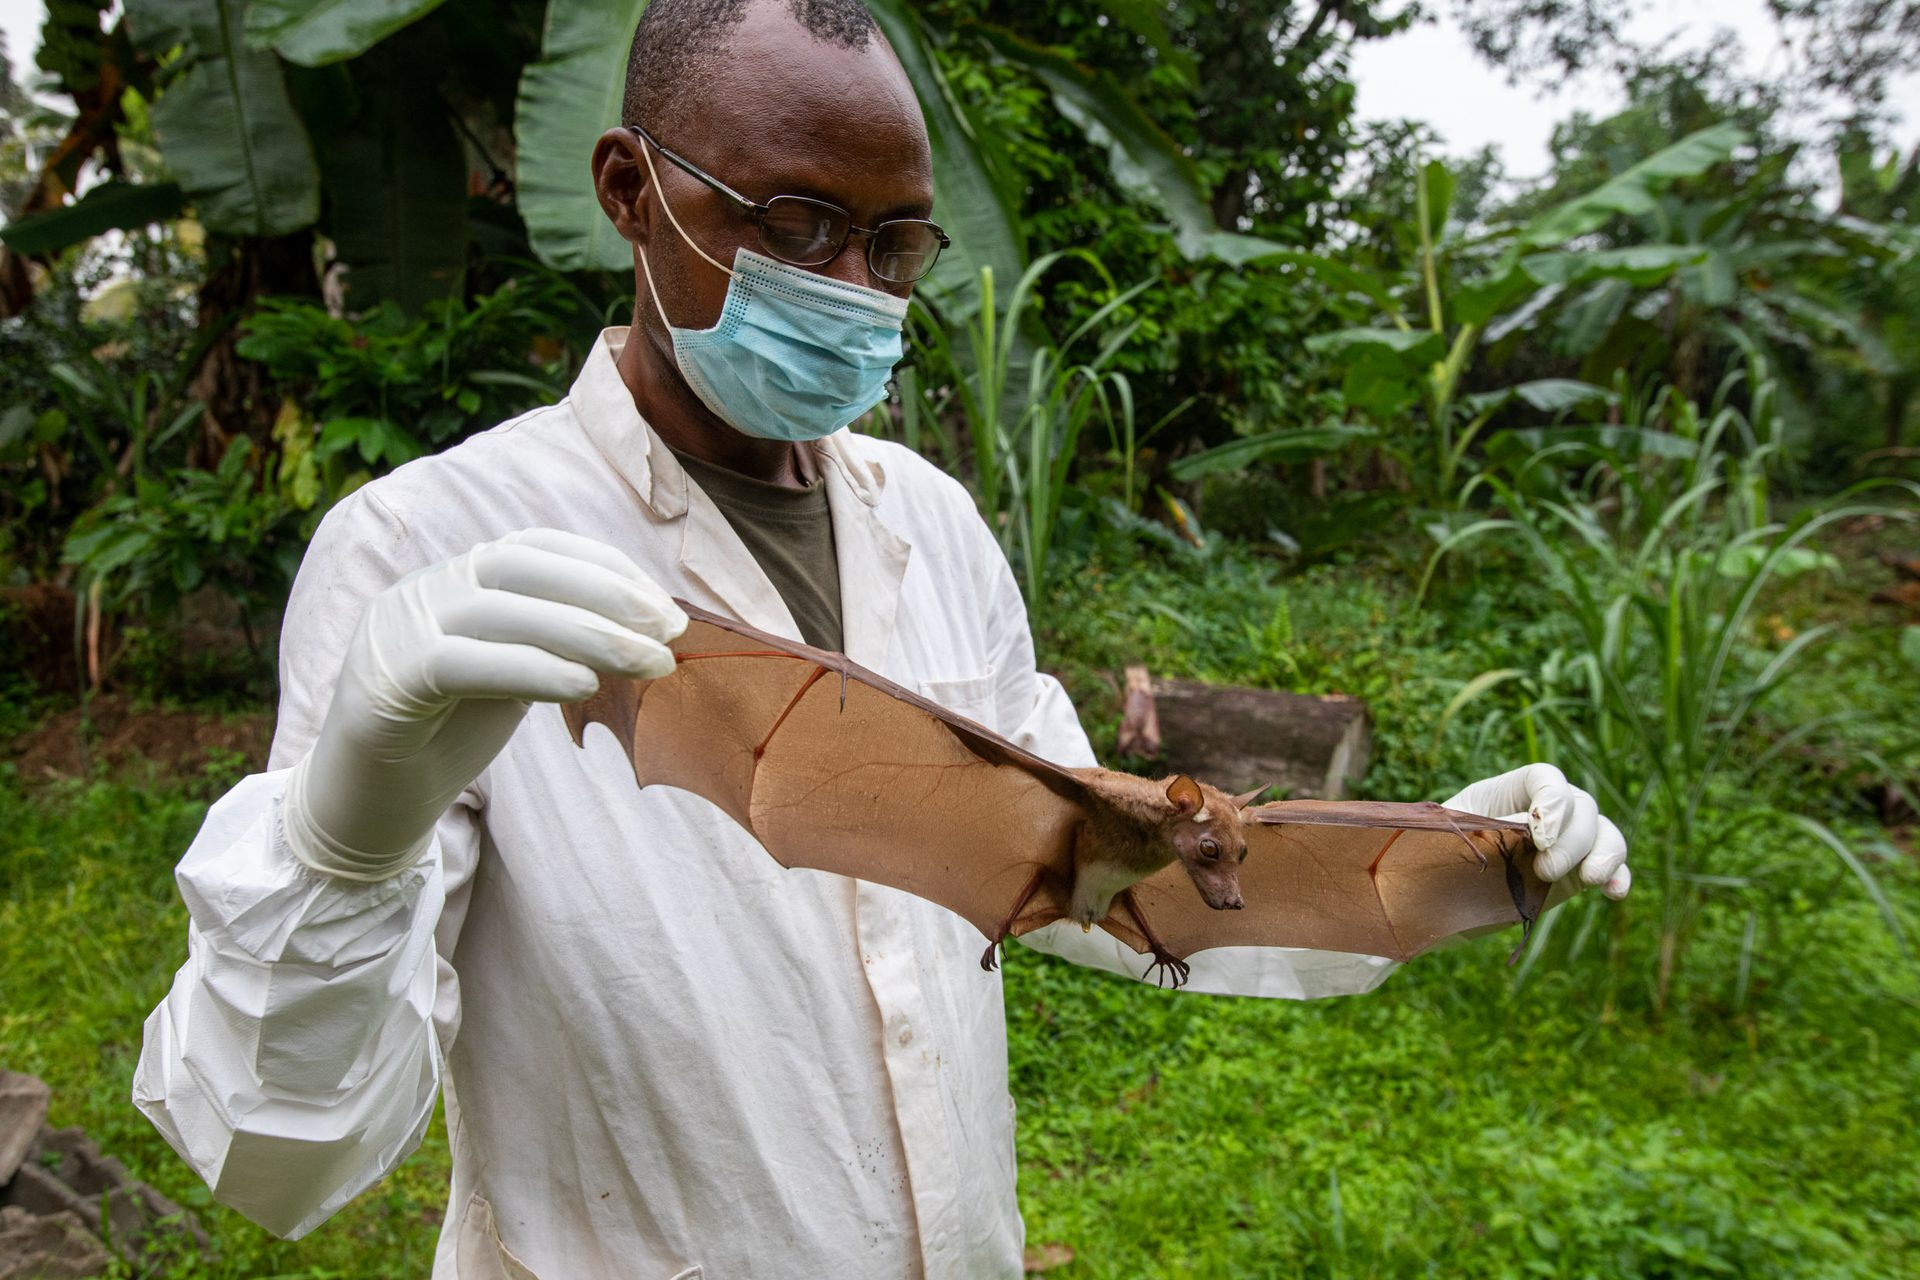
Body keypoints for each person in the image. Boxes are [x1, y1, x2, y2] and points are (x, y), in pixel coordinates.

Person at [133, 1, 1631, 1275]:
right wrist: (344, 841)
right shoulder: (430, 550)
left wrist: (1445, 859)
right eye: (793, 224)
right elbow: (286, 1161)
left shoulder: (932, 520)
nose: (850, 288)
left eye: (894, 245)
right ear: (631, 188)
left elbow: (1094, 866)